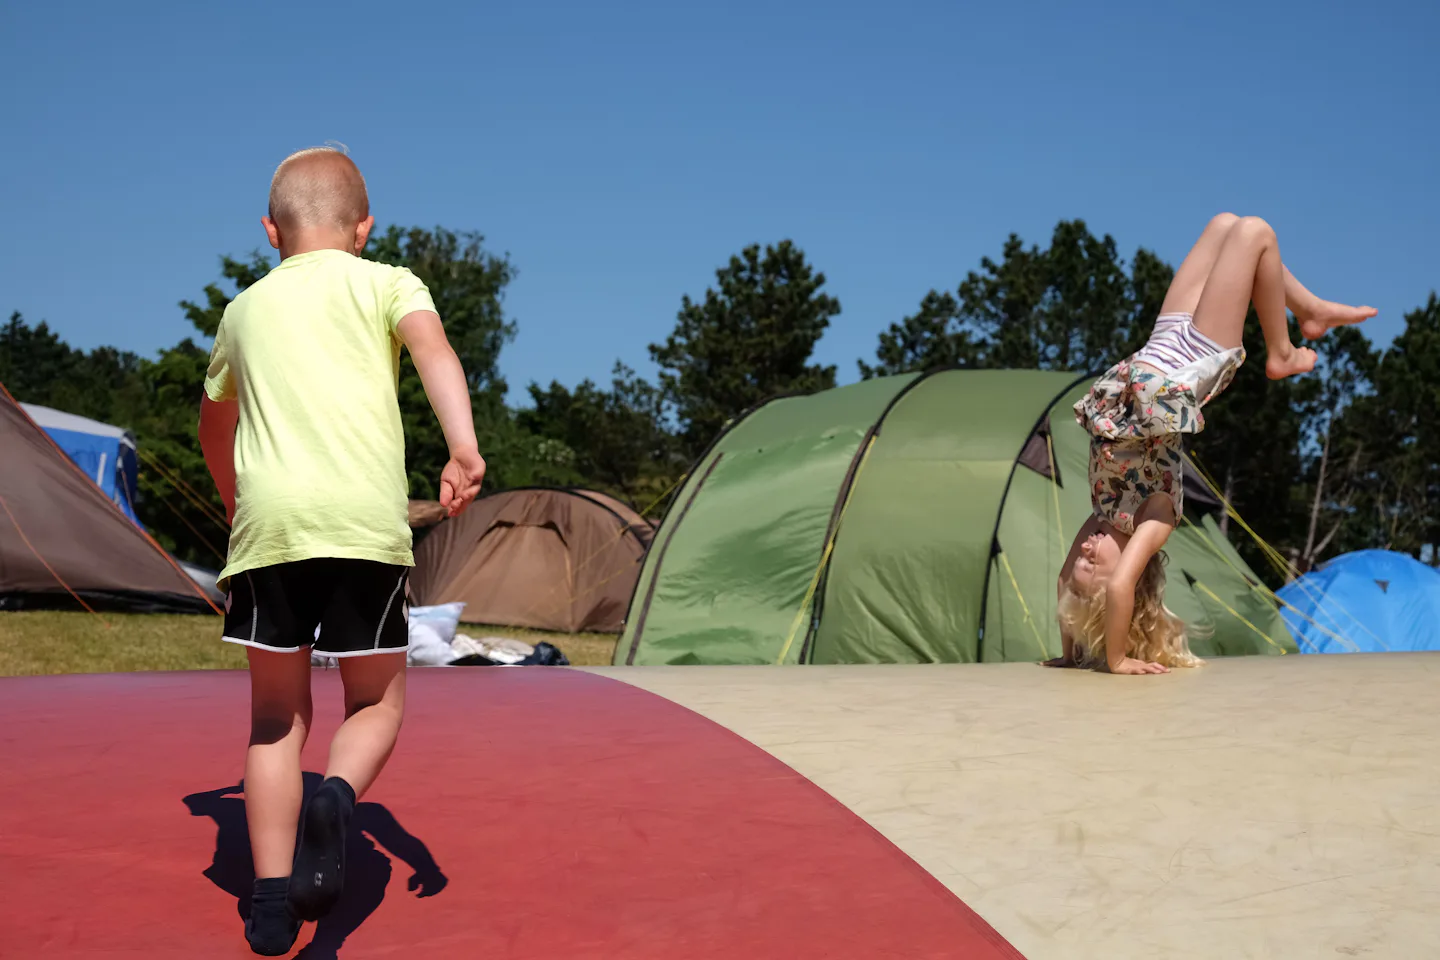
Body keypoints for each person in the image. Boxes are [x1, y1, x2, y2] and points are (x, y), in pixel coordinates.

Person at [199, 145, 486, 954]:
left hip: (271, 530)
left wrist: (235, 506)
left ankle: (267, 903)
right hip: (362, 524)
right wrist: (461, 446)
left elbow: (213, 426)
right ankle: (337, 793)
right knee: (375, 703)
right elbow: (433, 351)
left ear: (270, 231)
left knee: (273, 718)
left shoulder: (243, 310)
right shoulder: (389, 282)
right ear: (365, 227)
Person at [1046, 213, 1373, 676]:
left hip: (1158, 349)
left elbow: (1064, 584)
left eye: (1082, 554)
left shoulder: (1103, 515)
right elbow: (1120, 588)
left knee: (1222, 225)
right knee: (1255, 233)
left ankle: (1310, 311)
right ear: (1124, 578)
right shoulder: (1155, 517)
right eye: (1091, 562)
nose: (1085, 548)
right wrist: (1115, 659)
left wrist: (1070, 653)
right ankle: (1281, 352)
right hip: (1194, 361)